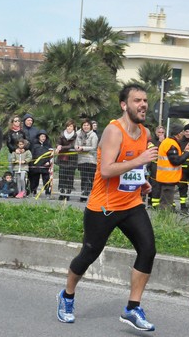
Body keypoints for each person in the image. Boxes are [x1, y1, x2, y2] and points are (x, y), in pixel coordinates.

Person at [56, 83, 159, 332]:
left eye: (145, 100)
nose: (143, 104)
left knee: (148, 250)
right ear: (124, 105)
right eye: (137, 100)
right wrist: (141, 159)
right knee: (89, 255)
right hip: (104, 206)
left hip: (131, 204)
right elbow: (106, 170)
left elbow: (130, 166)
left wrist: (141, 180)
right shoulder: (114, 131)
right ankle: (67, 296)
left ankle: (132, 308)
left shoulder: (144, 132)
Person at [155, 123, 189, 211]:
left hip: (165, 177)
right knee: (166, 205)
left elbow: (173, 158)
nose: (183, 134)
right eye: (182, 132)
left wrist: (184, 152)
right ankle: (164, 221)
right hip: (168, 178)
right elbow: (176, 161)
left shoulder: (168, 142)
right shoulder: (172, 144)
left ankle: (163, 220)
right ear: (178, 134)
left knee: (164, 203)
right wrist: (188, 153)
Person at [75, 119, 98, 202]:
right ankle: (83, 195)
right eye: (84, 125)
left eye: (87, 125)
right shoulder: (79, 134)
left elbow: (94, 147)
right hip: (82, 160)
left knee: (91, 178)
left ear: (90, 126)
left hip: (91, 160)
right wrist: (77, 148)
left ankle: (92, 195)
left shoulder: (93, 135)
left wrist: (83, 148)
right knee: (83, 178)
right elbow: (76, 144)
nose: (86, 126)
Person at [54, 120, 78, 201]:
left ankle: (68, 193)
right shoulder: (62, 135)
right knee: (62, 176)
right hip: (62, 159)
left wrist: (61, 147)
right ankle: (61, 192)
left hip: (72, 160)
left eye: (71, 126)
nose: (69, 128)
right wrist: (58, 146)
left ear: (73, 128)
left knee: (70, 177)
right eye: (68, 126)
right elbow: (58, 143)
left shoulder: (76, 136)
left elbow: (72, 146)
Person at [29, 130, 52, 197]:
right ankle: (33, 191)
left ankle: (47, 192)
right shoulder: (34, 145)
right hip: (36, 165)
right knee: (34, 179)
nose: (43, 138)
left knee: (46, 179)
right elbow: (32, 154)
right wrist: (32, 163)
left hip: (45, 165)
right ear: (39, 137)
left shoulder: (48, 145)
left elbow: (50, 155)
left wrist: (48, 161)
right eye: (42, 136)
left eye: (44, 136)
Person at [147, 126, 166, 207]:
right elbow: (154, 152)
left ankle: (162, 202)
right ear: (155, 132)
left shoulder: (167, 141)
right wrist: (160, 142)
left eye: (162, 132)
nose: (161, 134)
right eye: (159, 132)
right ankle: (154, 203)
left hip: (164, 167)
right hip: (154, 166)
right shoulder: (151, 141)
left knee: (163, 185)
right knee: (155, 185)